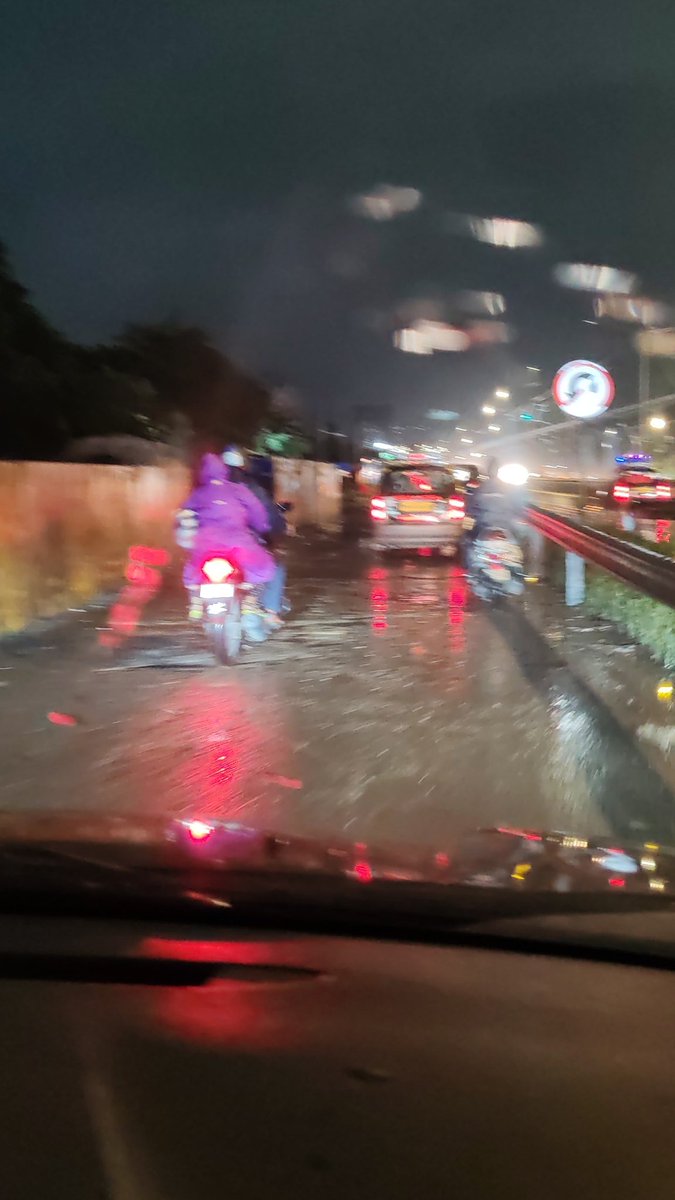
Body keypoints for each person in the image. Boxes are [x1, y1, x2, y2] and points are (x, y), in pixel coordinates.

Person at [176, 451, 278, 630]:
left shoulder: (198, 494)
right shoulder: (238, 489)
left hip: (205, 545)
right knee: (263, 566)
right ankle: (251, 600)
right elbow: (258, 512)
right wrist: (262, 528)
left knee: (192, 569)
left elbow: (183, 517)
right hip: (236, 542)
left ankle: (196, 601)